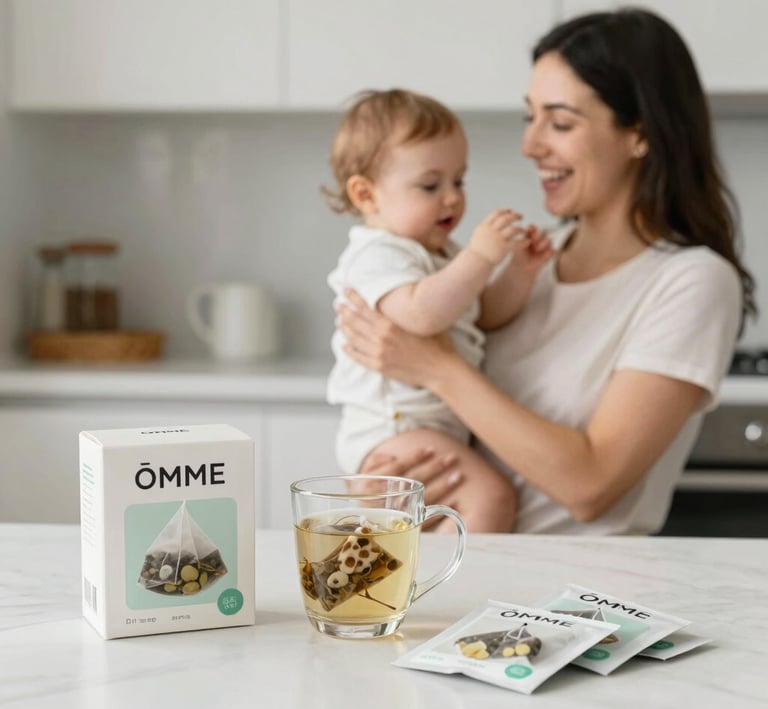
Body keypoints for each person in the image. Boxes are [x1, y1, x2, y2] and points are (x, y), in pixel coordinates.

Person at [336, 9, 756, 535]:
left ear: (639, 136)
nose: (530, 145)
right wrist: (392, 479)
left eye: (559, 122)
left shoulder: (692, 282)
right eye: (529, 117)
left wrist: (436, 368)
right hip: (470, 580)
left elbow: (591, 486)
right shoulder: (531, 258)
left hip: (574, 600)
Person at [323, 88, 553, 532]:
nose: (451, 198)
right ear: (367, 195)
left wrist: (520, 273)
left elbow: (483, 313)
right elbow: (421, 315)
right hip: (392, 430)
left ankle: (437, 584)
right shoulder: (378, 255)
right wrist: (481, 258)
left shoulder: (441, 253)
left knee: (452, 515)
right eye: (431, 185)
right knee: (490, 498)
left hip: (424, 427)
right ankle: (457, 592)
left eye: (459, 181)